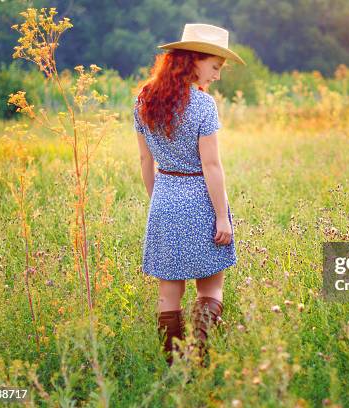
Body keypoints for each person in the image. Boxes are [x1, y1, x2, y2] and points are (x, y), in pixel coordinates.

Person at [133, 23, 246, 367]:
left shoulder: (143, 101)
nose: (217, 76)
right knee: (210, 290)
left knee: (169, 295)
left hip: (164, 200)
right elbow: (211, 166)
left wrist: (160, 201)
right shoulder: (203, 105)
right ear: (193, 60)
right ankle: (199, 362)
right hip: (201, 201)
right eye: (215, 66)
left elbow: (144, 160)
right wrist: (222, 216)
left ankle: (173, 366)